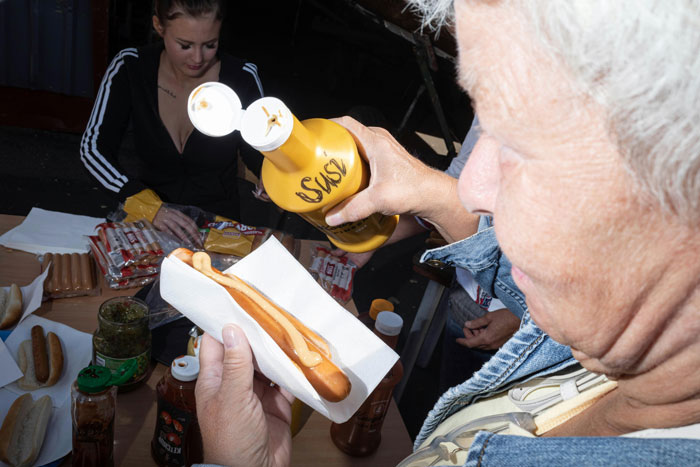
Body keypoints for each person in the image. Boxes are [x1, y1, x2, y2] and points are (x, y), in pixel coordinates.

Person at [194, 0, 700, 465]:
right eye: (485, 122)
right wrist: (435, 197)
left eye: (521, 144)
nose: (471, 186)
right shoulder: (609, 326)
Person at [339, 115, 522, 392]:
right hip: (470, 289)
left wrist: (520, 318)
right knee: (449, 395)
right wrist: (370, 239)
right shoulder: (500, 92)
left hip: (529, 318)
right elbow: (458, 182)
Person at [80, 0, 268, 246]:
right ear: (159, 25)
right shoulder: (131, 67)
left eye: (210, 45)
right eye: (185, 45)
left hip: (221, 231)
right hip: (148, 225)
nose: (198, 58)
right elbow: (93, 150)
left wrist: (270, 174)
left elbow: (259, 149)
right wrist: (145, 204)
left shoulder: (241, 77)